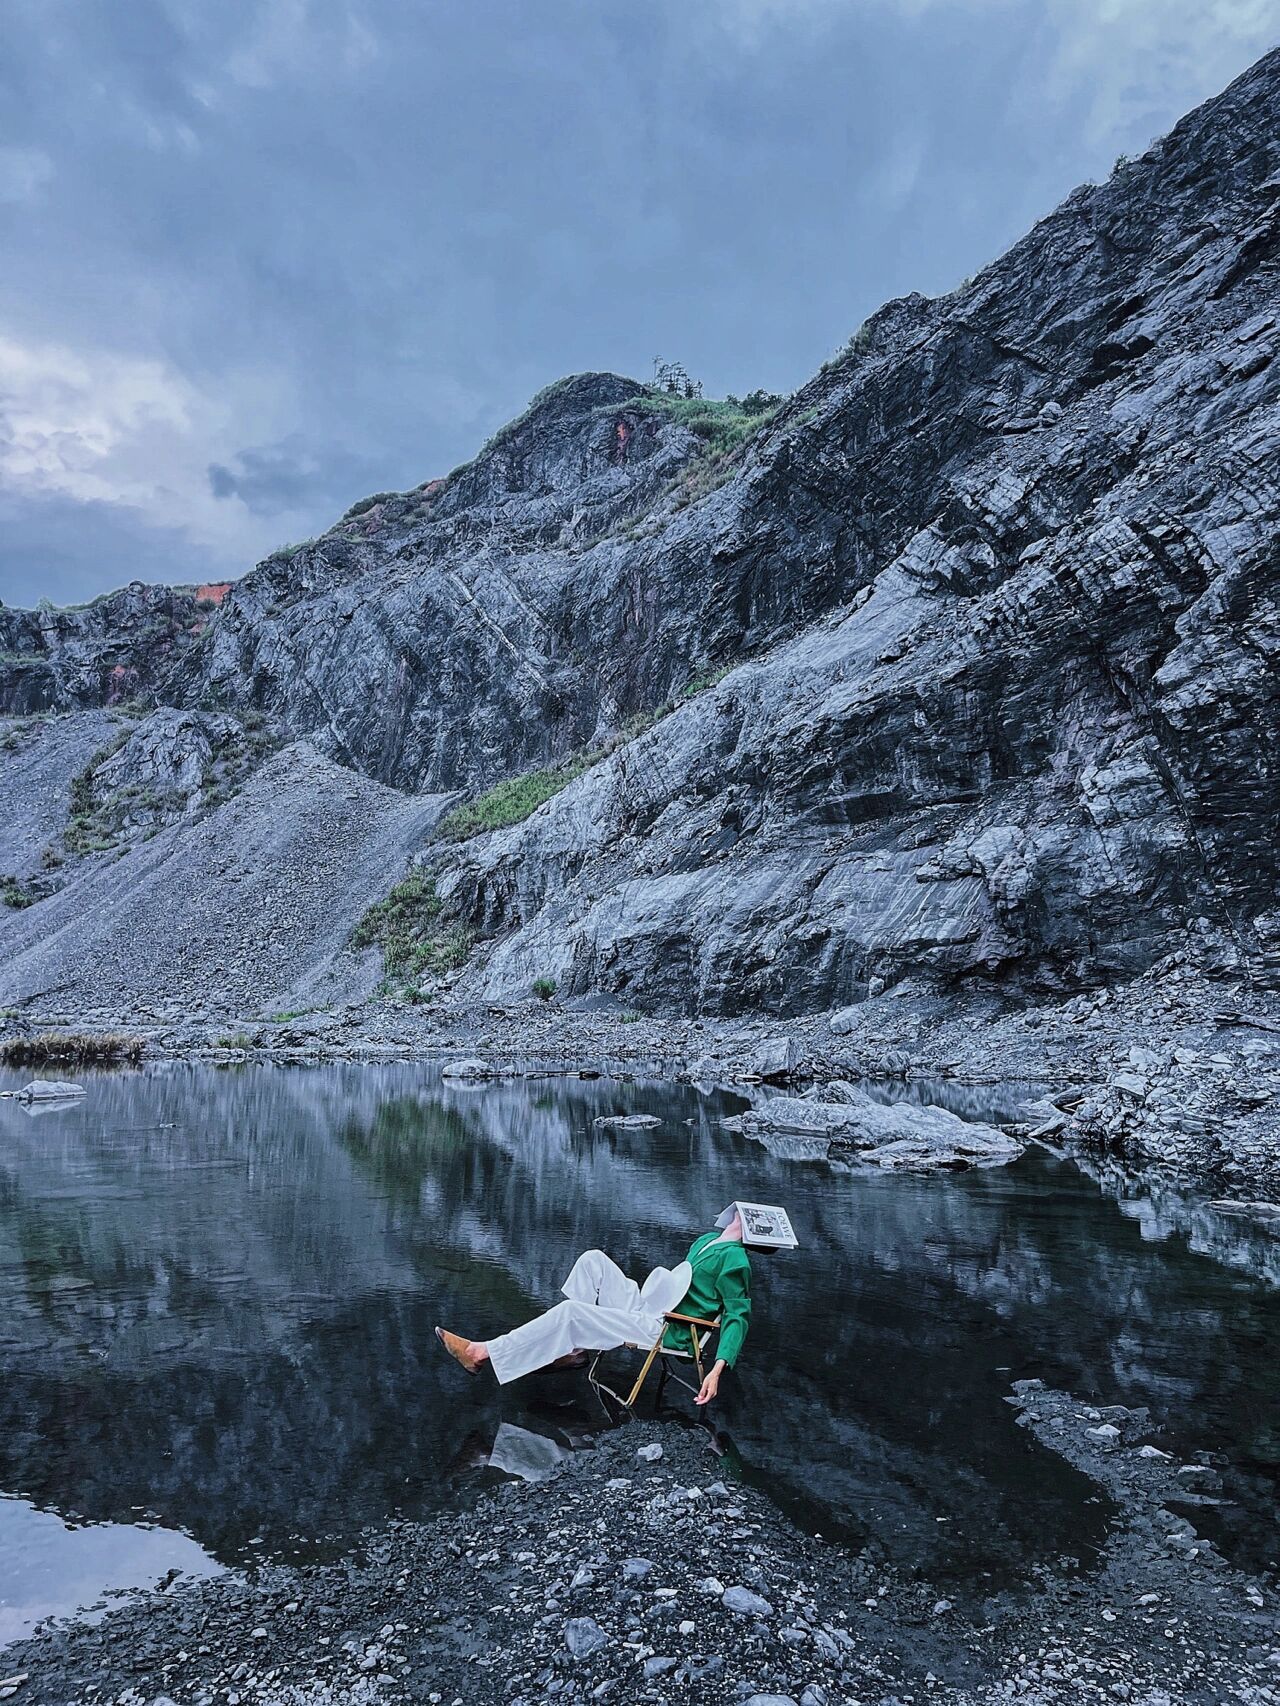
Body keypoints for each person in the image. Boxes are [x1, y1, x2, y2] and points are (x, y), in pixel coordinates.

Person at [435, 1209, 754, 1407]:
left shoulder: (736, 1259)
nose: (741, 1210)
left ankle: (481, 1353)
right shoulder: (707, 1240)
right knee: (593, 1261)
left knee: (571, 1313)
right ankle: (574, 1350)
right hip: (651, 1306)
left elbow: (737, 1317)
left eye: (749, 1215)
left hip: (669, 1328)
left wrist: (717, 1368)